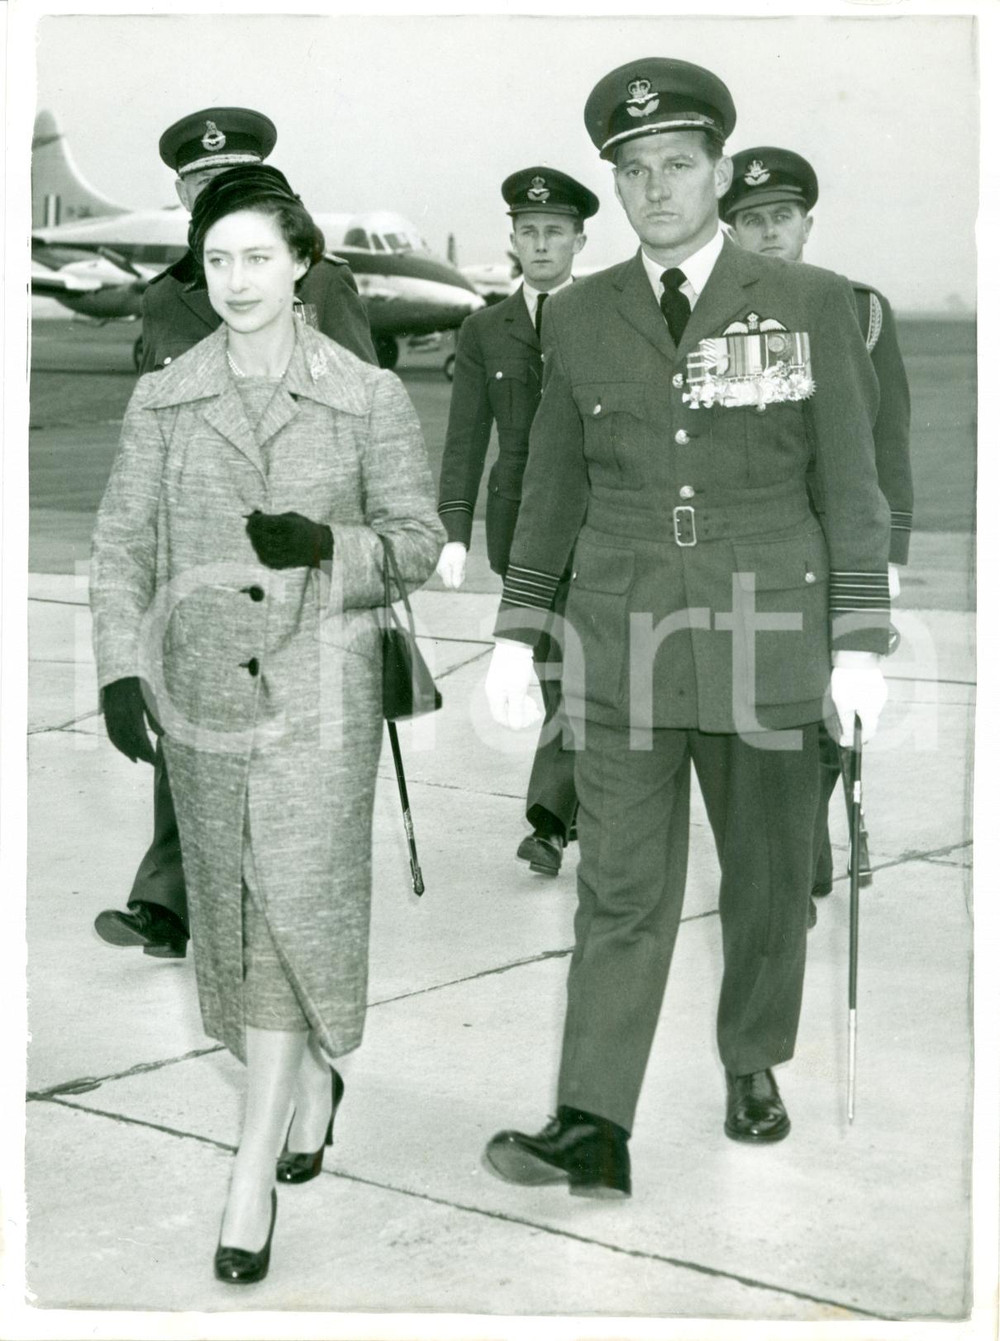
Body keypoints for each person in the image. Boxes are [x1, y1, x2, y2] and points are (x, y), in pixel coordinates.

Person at [480, 57, 891, 1197]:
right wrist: (519, 631)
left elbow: (849, 481)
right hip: (618, 638)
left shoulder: (812, 304)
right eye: (633, 170)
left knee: (765, 878)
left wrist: (859, 637)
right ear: (613, 184)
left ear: (716, 169)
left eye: (675, 164)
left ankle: (752, 1060)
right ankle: (591, 1119)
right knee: (618, 888)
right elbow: (550, 486)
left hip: (769, 632)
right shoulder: (577, 311)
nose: (654, 187)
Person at [90, 165, 444, 1281]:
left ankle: (248, 1176)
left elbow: (418, 539)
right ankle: (310, 1082)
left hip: (320, 690)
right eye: (220, 259)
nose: (238, 279)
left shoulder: (366, 393)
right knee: (233, 919)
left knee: (294, 900)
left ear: (303, 266)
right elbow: (117, 546)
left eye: (260, 256)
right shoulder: (165, 395)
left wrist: (332, 552)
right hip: (199, 692)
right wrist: (116, 670)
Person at [94, 106, 377, 960]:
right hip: (200, 558)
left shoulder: (320, 282)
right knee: (190, 729)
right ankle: (168, 903)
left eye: (230, 183)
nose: (215, 198)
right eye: (199, 187)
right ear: (183, 198)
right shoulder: (165, 296)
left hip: (295, 554)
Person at [720, 146, 913, 924]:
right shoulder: (710, 316)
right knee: (764, 713)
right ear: (730, 231)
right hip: (754, 548)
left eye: (781, 217)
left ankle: (804, 843)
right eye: (751, 220)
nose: (768, 233)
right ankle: (795, 852)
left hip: (838, 544)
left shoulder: (858, 309)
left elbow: (887, 436)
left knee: (832, 707)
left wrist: (889, 553)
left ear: (807, 224)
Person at [437, 166, 598, 876]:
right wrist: (452, 528)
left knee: (572, 674)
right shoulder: (484, 329)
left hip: (599, 525)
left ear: (579, 239)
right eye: (528, 232)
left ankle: (549, 818)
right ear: (511, 240)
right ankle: (573, 806)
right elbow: (466, 437)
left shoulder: (610, 315)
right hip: (520, 533)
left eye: (554, 232)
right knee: (561, 671)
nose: (541, 244)